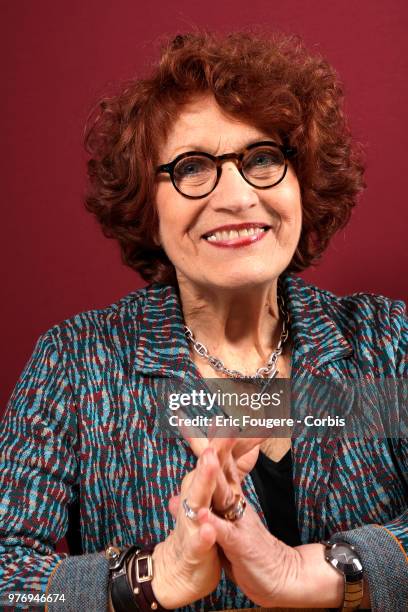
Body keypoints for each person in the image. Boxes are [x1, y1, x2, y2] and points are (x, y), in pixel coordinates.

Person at [0, 30, 406, 612]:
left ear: (302, 181)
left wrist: (315, 571)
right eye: (192, 167)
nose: (238, 197)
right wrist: (149, 577)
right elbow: (7, 579)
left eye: (263, 158)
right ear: (146, 203)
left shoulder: (384, 341)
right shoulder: (75, 362)